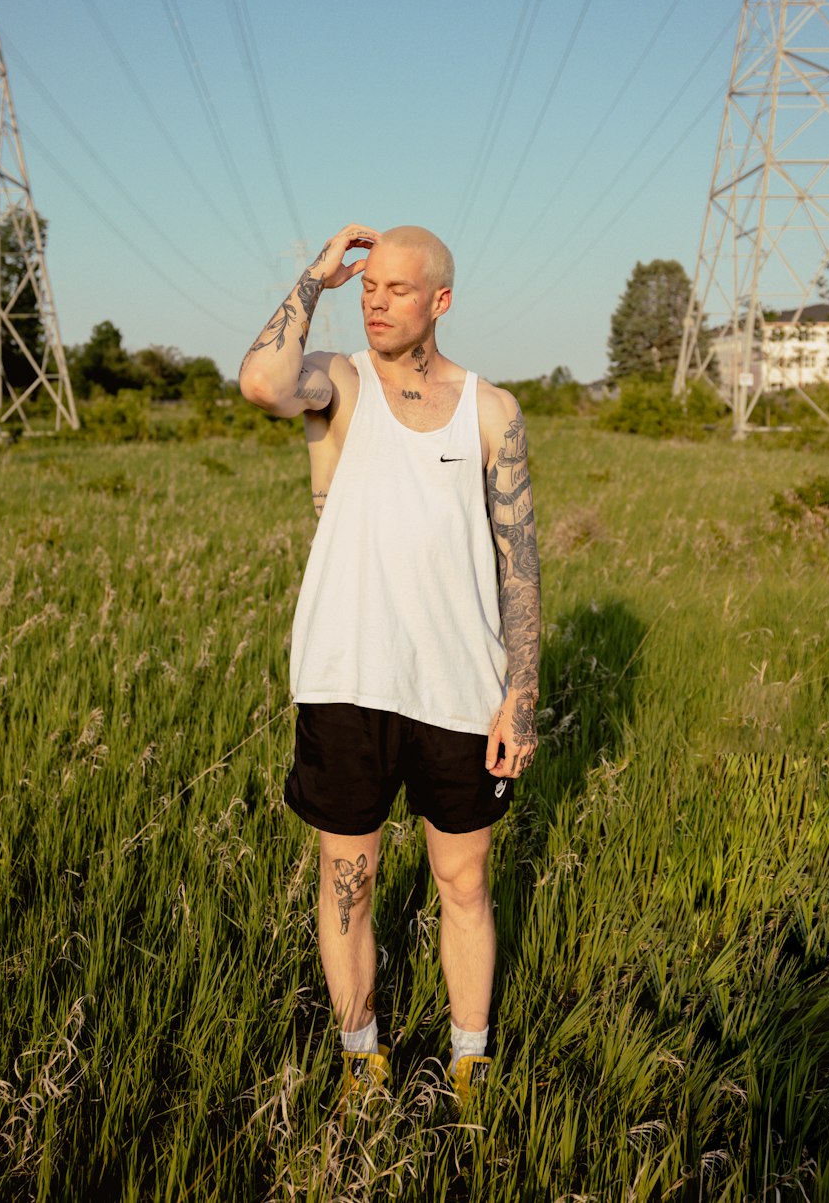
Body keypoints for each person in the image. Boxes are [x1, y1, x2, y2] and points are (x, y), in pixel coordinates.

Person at [239, 223, 541, 1108]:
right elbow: (261, 379)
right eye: (369, 289)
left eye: (396, 289)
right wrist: (318, 276)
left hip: (458, 684)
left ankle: (471, 1055)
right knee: (349, 880)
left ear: (440, 301)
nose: (376, 301)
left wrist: (519, 694)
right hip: (346, 677)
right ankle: (362, 1050)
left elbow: (518, 561)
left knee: (464, 879)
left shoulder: (492, 410)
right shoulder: (337, 381)